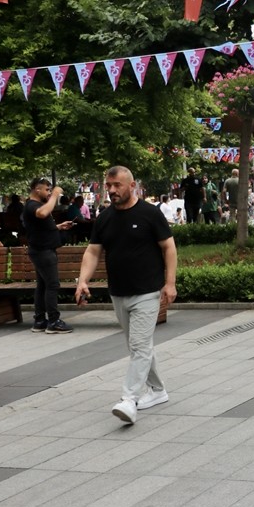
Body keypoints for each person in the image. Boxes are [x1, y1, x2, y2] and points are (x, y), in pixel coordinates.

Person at [76, 166, 177, 425]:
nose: (111, 191)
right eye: (109, 186)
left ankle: (129, 399)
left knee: (139, 345)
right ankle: (158, 390)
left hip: (147, 291)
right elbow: (92, 251)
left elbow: (169, 247)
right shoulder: (105, 218)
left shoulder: (149, 213)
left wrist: (170, 283)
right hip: (118, 293)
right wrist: (83, 280)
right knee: (138, 345)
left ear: (132, 186)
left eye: (117, 185)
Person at [22, 178, 76, 334]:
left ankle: (39, 320)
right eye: (47, 190)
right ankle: (53, 321)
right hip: (43, 251)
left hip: (41, 250)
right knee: (52, 285)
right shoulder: (33, 205)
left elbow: (40, 226)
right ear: (37, 190)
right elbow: (43, 213)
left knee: (43, 286)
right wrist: (55, 195)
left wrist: (58, 227)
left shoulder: (35, 206)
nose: (49, 193)